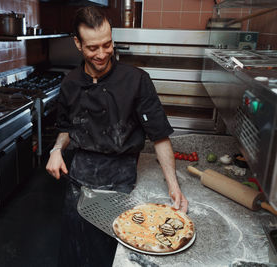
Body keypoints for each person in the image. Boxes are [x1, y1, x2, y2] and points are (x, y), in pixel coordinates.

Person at [46, 6, 188, 267]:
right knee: (74, 252)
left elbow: (159, 137)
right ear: (78, 44)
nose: (102, 54)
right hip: (79, 180)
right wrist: (56, 150)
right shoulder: (70, 84)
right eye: (92, 48)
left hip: (121, 179)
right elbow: (66, 129)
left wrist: (174, 185)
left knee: (111, 253)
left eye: (107, 44)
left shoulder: (136, 80)